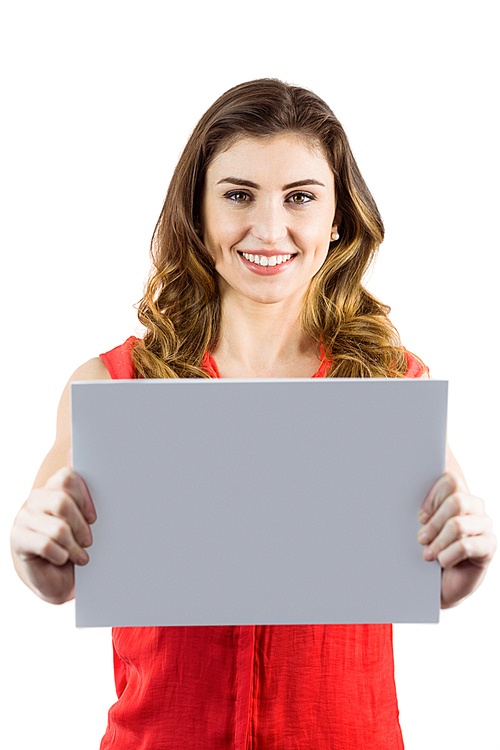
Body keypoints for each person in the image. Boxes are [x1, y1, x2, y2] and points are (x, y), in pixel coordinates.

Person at [10, 78, 496, 749]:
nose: (270, 230)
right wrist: (38, 554)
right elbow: (52, 562)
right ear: (199, 212)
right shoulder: (115, 384)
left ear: (336, 218)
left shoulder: (391, 386)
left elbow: (440, 563)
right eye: (238, 195)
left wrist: (460, 568)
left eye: (300, 197)